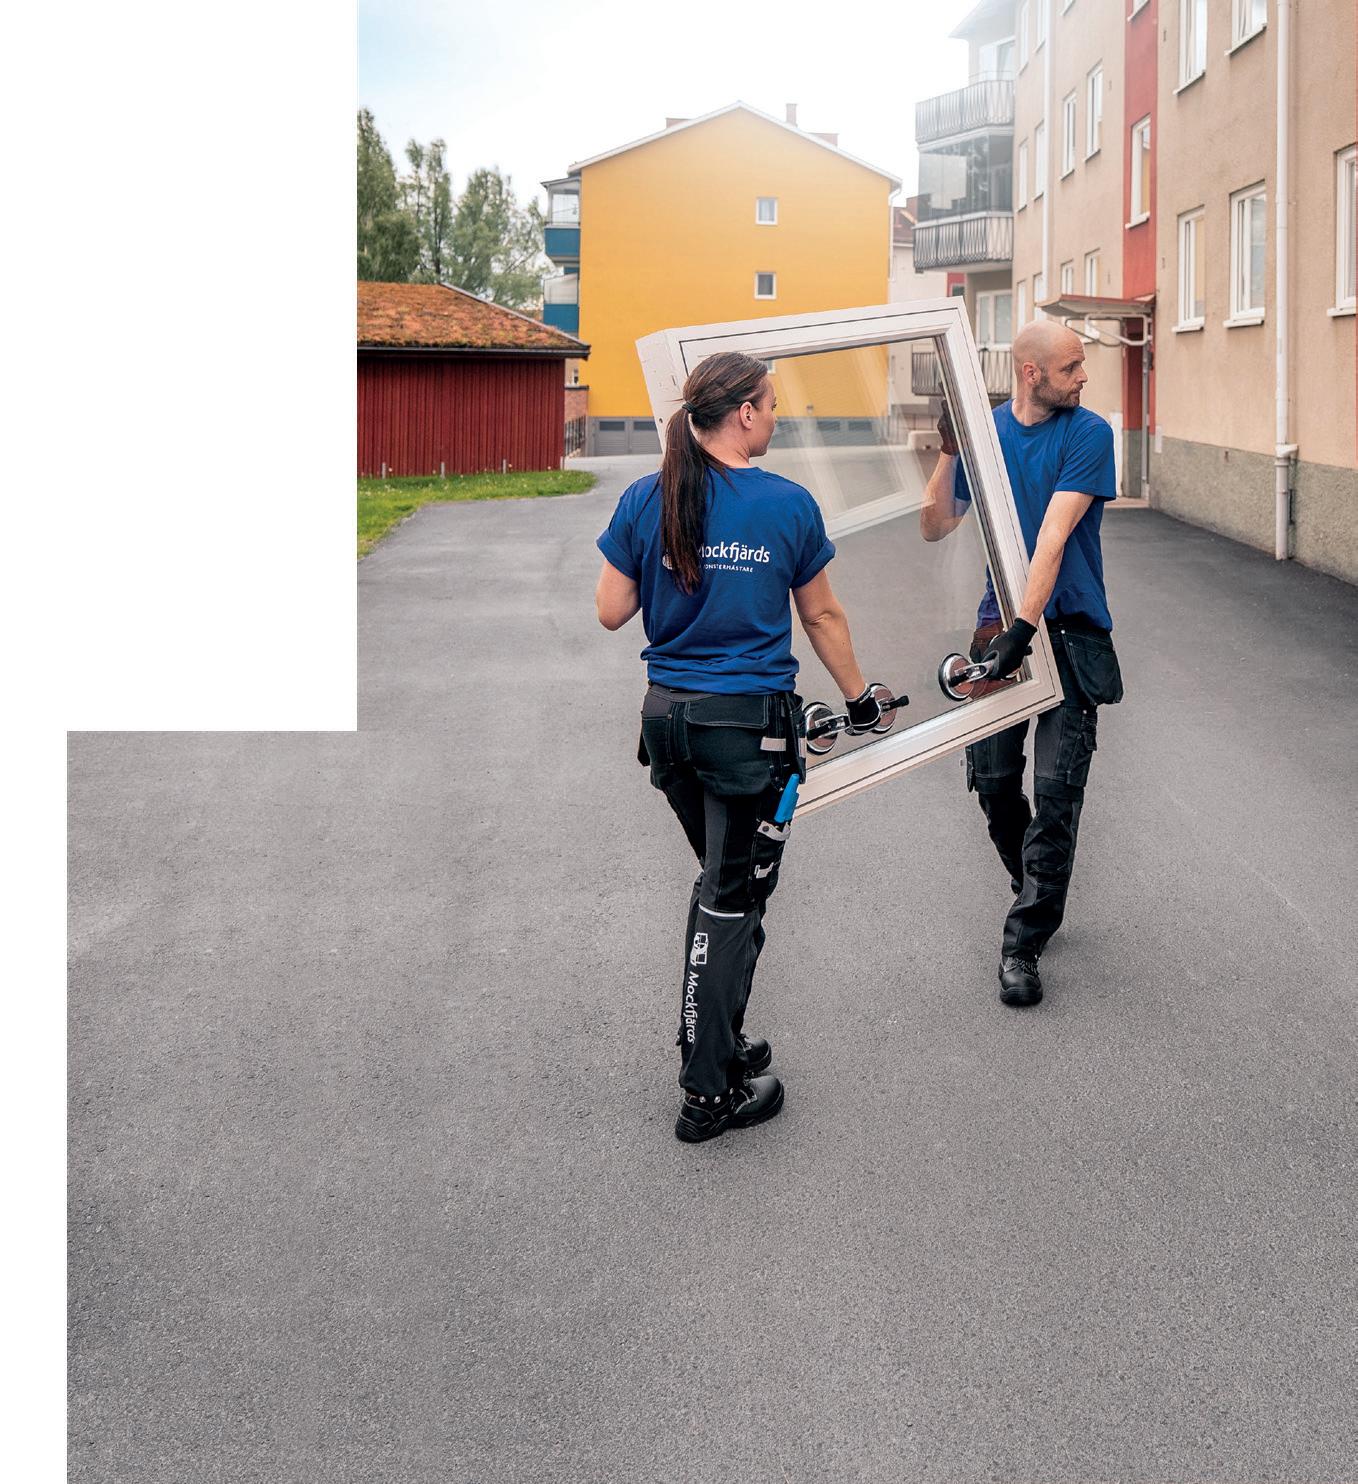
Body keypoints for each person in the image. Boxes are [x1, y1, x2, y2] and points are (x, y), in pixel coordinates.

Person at [595, 351, 881, 1142]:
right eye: (772, 405)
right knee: (732, 895)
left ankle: (717, 1040)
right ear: (745, 414)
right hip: (744, 733)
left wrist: (671, 563)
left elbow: (611, 610)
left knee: (728, 886)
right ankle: (706, 1095)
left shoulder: (648, 496)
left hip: (668, 726)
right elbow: (821, 617)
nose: (776, 417)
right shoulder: (785, 504)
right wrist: (859, 700)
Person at [920, 319, 1124, 1010]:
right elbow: (934, 524)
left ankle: (1023, 942)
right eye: (1072, 367)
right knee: (994, 781)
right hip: (998, 629)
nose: (1084, 376)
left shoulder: (1088, 434)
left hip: (1068, 633)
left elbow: (1053, 537)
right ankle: (1032, 884)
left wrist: (1023, 628)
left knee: (1057, 794)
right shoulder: (987, 437)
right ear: (1032, 373)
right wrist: (952, 450)